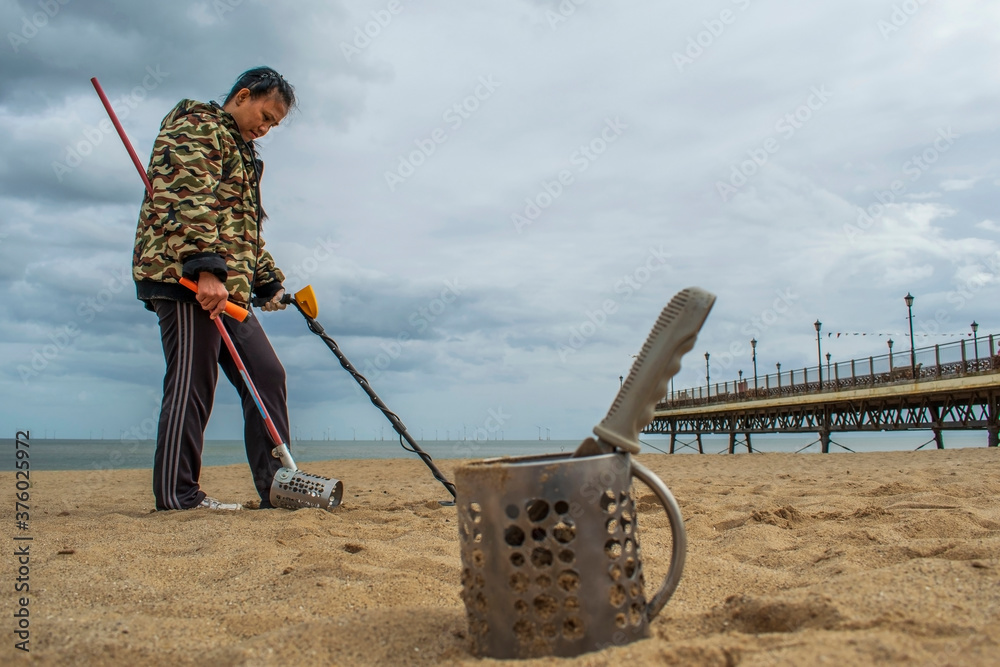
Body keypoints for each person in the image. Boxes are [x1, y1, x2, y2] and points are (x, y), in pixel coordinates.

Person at [133, 67, 296, 511]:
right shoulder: (197, 124)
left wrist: (268, 280)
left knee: (267, 375)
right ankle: (177, 494)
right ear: (242, 95)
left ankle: (278, 488)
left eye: (273, 125)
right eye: (264, 115)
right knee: (192, 383)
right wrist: (203, 266)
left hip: (229, 291)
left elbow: (243, 230)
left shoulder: (244, 153)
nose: (265, 127)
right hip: (185, 279)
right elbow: (183, 196)